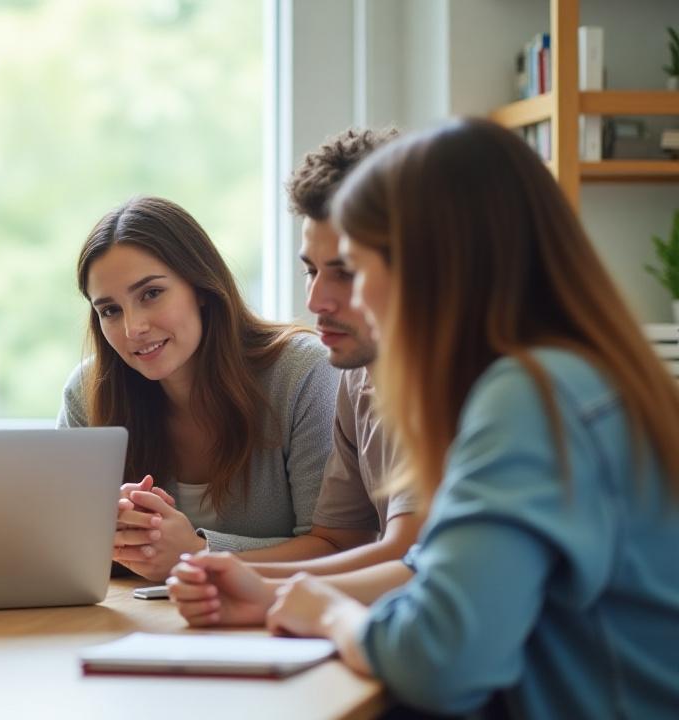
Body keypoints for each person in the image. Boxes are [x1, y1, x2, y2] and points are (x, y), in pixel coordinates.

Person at [172, 118, 679, 718]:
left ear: (436, 266)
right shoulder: (573, 374)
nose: (343, 303)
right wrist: (275, 596)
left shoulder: (530, 399)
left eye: (358, 269)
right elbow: (432, 569)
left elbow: (438, 660)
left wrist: (332, 616)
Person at [58, 196, 338, 582]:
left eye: (151, 294)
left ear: (202, 287)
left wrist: (197, 553)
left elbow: (337, 545)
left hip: (271, 628)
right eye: (110, 310)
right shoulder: (87, 392)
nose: (132, 328)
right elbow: (60, 548)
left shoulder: (303, 373)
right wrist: (110, 533)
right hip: (142, 625)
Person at [236, 128, 422, 579]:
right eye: (311, 271)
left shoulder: (460, 381)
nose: (316, 300)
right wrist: (210, 569)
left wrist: (248, 582)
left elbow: (411, 556)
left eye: (345, 272)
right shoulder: (358, 373)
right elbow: (339, 540)